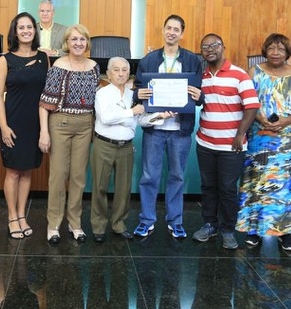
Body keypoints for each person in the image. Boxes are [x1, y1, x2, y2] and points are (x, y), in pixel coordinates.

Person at [235, 33, 291, 252]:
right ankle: (253, 229)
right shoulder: (254, 72)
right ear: (265, 51)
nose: (275, 53)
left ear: (287, 52)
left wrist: (286, 120)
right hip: (259, 137)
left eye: (280, 49)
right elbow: (244, 100)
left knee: (287, 185)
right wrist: (259, 118)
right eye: (271, 48)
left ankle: (286, 233)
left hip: (288, 142)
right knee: (256, 181)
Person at [132, 14, 204, 239]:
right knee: (149, 176)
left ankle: (175, 221)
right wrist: (138, 93)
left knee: (177, 177)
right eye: (168, 28)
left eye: (176, 29)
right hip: (154, 128)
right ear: (163, 30)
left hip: (180, 130)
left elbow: (199, 95)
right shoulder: (149, 60)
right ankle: (147, 220)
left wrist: (200, 96)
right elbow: (137, 90)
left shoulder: (193, 61)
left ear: (182, 34)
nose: (171, 32)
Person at [191, 33, 259, 249]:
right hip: (205, 143)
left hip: (231, 145)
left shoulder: (239, 75)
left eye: (214, 45)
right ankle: (209, 224)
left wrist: (240, 134)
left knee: (228, 188)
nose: (210, 49)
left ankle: (228, 229)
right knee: (208, 186)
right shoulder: (200, 77)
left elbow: (252, 106)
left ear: (223, 47)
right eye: (205, 47)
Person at [39, 24, 99, 243]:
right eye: (74, 39)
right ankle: (53, 224)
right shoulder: (58, 65)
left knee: (78, 177)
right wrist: (44, 132)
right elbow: (45, 102)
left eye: (82, 39)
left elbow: (96, 100)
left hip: (86, 125)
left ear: (87, 42)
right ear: (66, 43)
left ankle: (75, 223)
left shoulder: (94, 67)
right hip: (60, 124)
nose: (78, 43)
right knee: (58, 176)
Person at [0, 12, 49, 239]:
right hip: (13, 122)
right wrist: (4, 127)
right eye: (21, 27)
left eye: (29, 27)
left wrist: (45, 128)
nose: (26, 31)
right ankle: (11, 217)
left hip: (36, 123)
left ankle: (22, 215)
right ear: (15, 33)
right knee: (13, 171)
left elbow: (47, 92)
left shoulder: (44, 58)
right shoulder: (5, 60)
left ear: (35, 31)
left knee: (27, 172)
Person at [90, 57, 145, 242]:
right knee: (100, 187)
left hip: (126, 147)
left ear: (129, 73)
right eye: (116, 70)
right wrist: (130, 113)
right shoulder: (102, 93)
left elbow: (140, 120)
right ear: (108, 73)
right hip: (104, 145)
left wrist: (160, 116)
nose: (121, 74)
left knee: (123, 189)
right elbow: (106, 118)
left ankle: (119, 224)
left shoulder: (133, 95)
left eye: (124, 70)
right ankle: (98, 227)